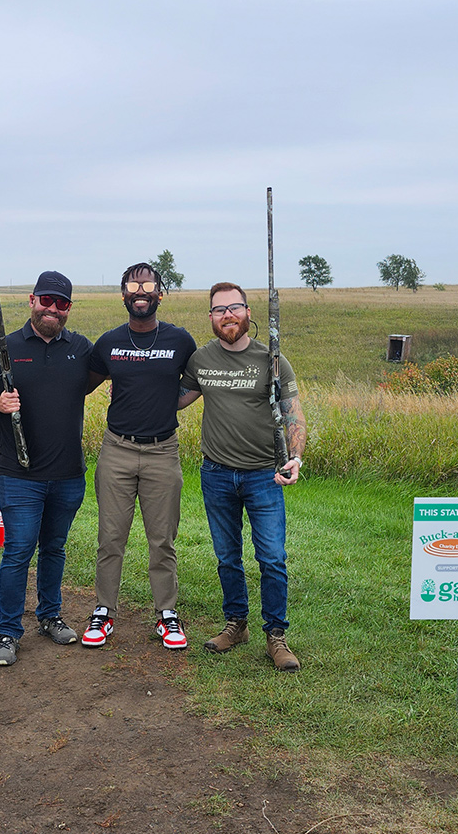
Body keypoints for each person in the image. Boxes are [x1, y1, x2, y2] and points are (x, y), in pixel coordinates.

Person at [0, 271, 94, 667]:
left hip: (69, 474)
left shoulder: (81, 349)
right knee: (19, 551)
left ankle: (50, 616)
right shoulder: (4, 348)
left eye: (62, 303)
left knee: (54, 548)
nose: (53, 309)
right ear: (32, 300)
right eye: (47, 300)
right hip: (19, 475)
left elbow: (106, 377)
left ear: (69, 309)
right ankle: (8, 632)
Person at [178, 281, 305, 671]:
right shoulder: (200, 360)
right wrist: (132, 392)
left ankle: (276, 636)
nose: (227, 315)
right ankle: (236, 625)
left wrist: (294, 457)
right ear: (211, 318)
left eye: (234, 308)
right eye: (219, 310)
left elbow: (294, 414)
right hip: (216, 473)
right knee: (227, 556)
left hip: (263, 476)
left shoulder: (273, 360)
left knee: (272, 557)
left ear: (249, 312)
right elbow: (176, 401)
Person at [81, 262, 197, 650]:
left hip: (163, 452)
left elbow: (197, 381)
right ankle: (103, 612)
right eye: (133, 285)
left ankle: (167, 614)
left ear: (160, 293)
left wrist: (170, 404)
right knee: (110, 538)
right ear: (124, 295)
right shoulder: (109, 342)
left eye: (148, 285)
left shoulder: (181, 341)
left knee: (162, 540)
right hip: (117, 450)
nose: (140, 291)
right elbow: (81, 385)